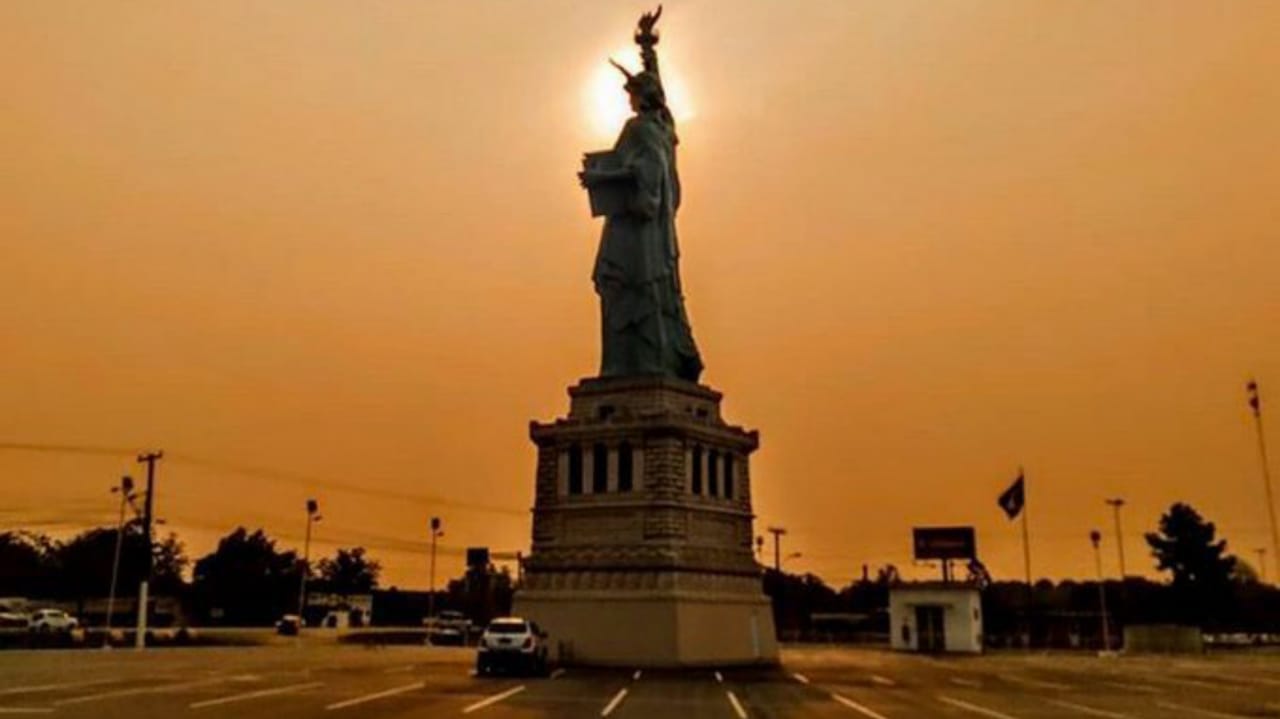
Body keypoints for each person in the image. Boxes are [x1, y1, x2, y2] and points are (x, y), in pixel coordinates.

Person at [579, 7, 703, 382]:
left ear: (639, 97)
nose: (628, 100)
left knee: (622, 287)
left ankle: (633, 366)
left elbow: (645, 175)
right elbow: (661, 97)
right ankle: (640, 363)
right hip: (654, 234)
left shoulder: (641, 130)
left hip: (637, 227)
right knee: (642, 292)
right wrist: (647, 48)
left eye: (632, 93)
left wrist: (601, 178)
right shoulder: (664, 126)